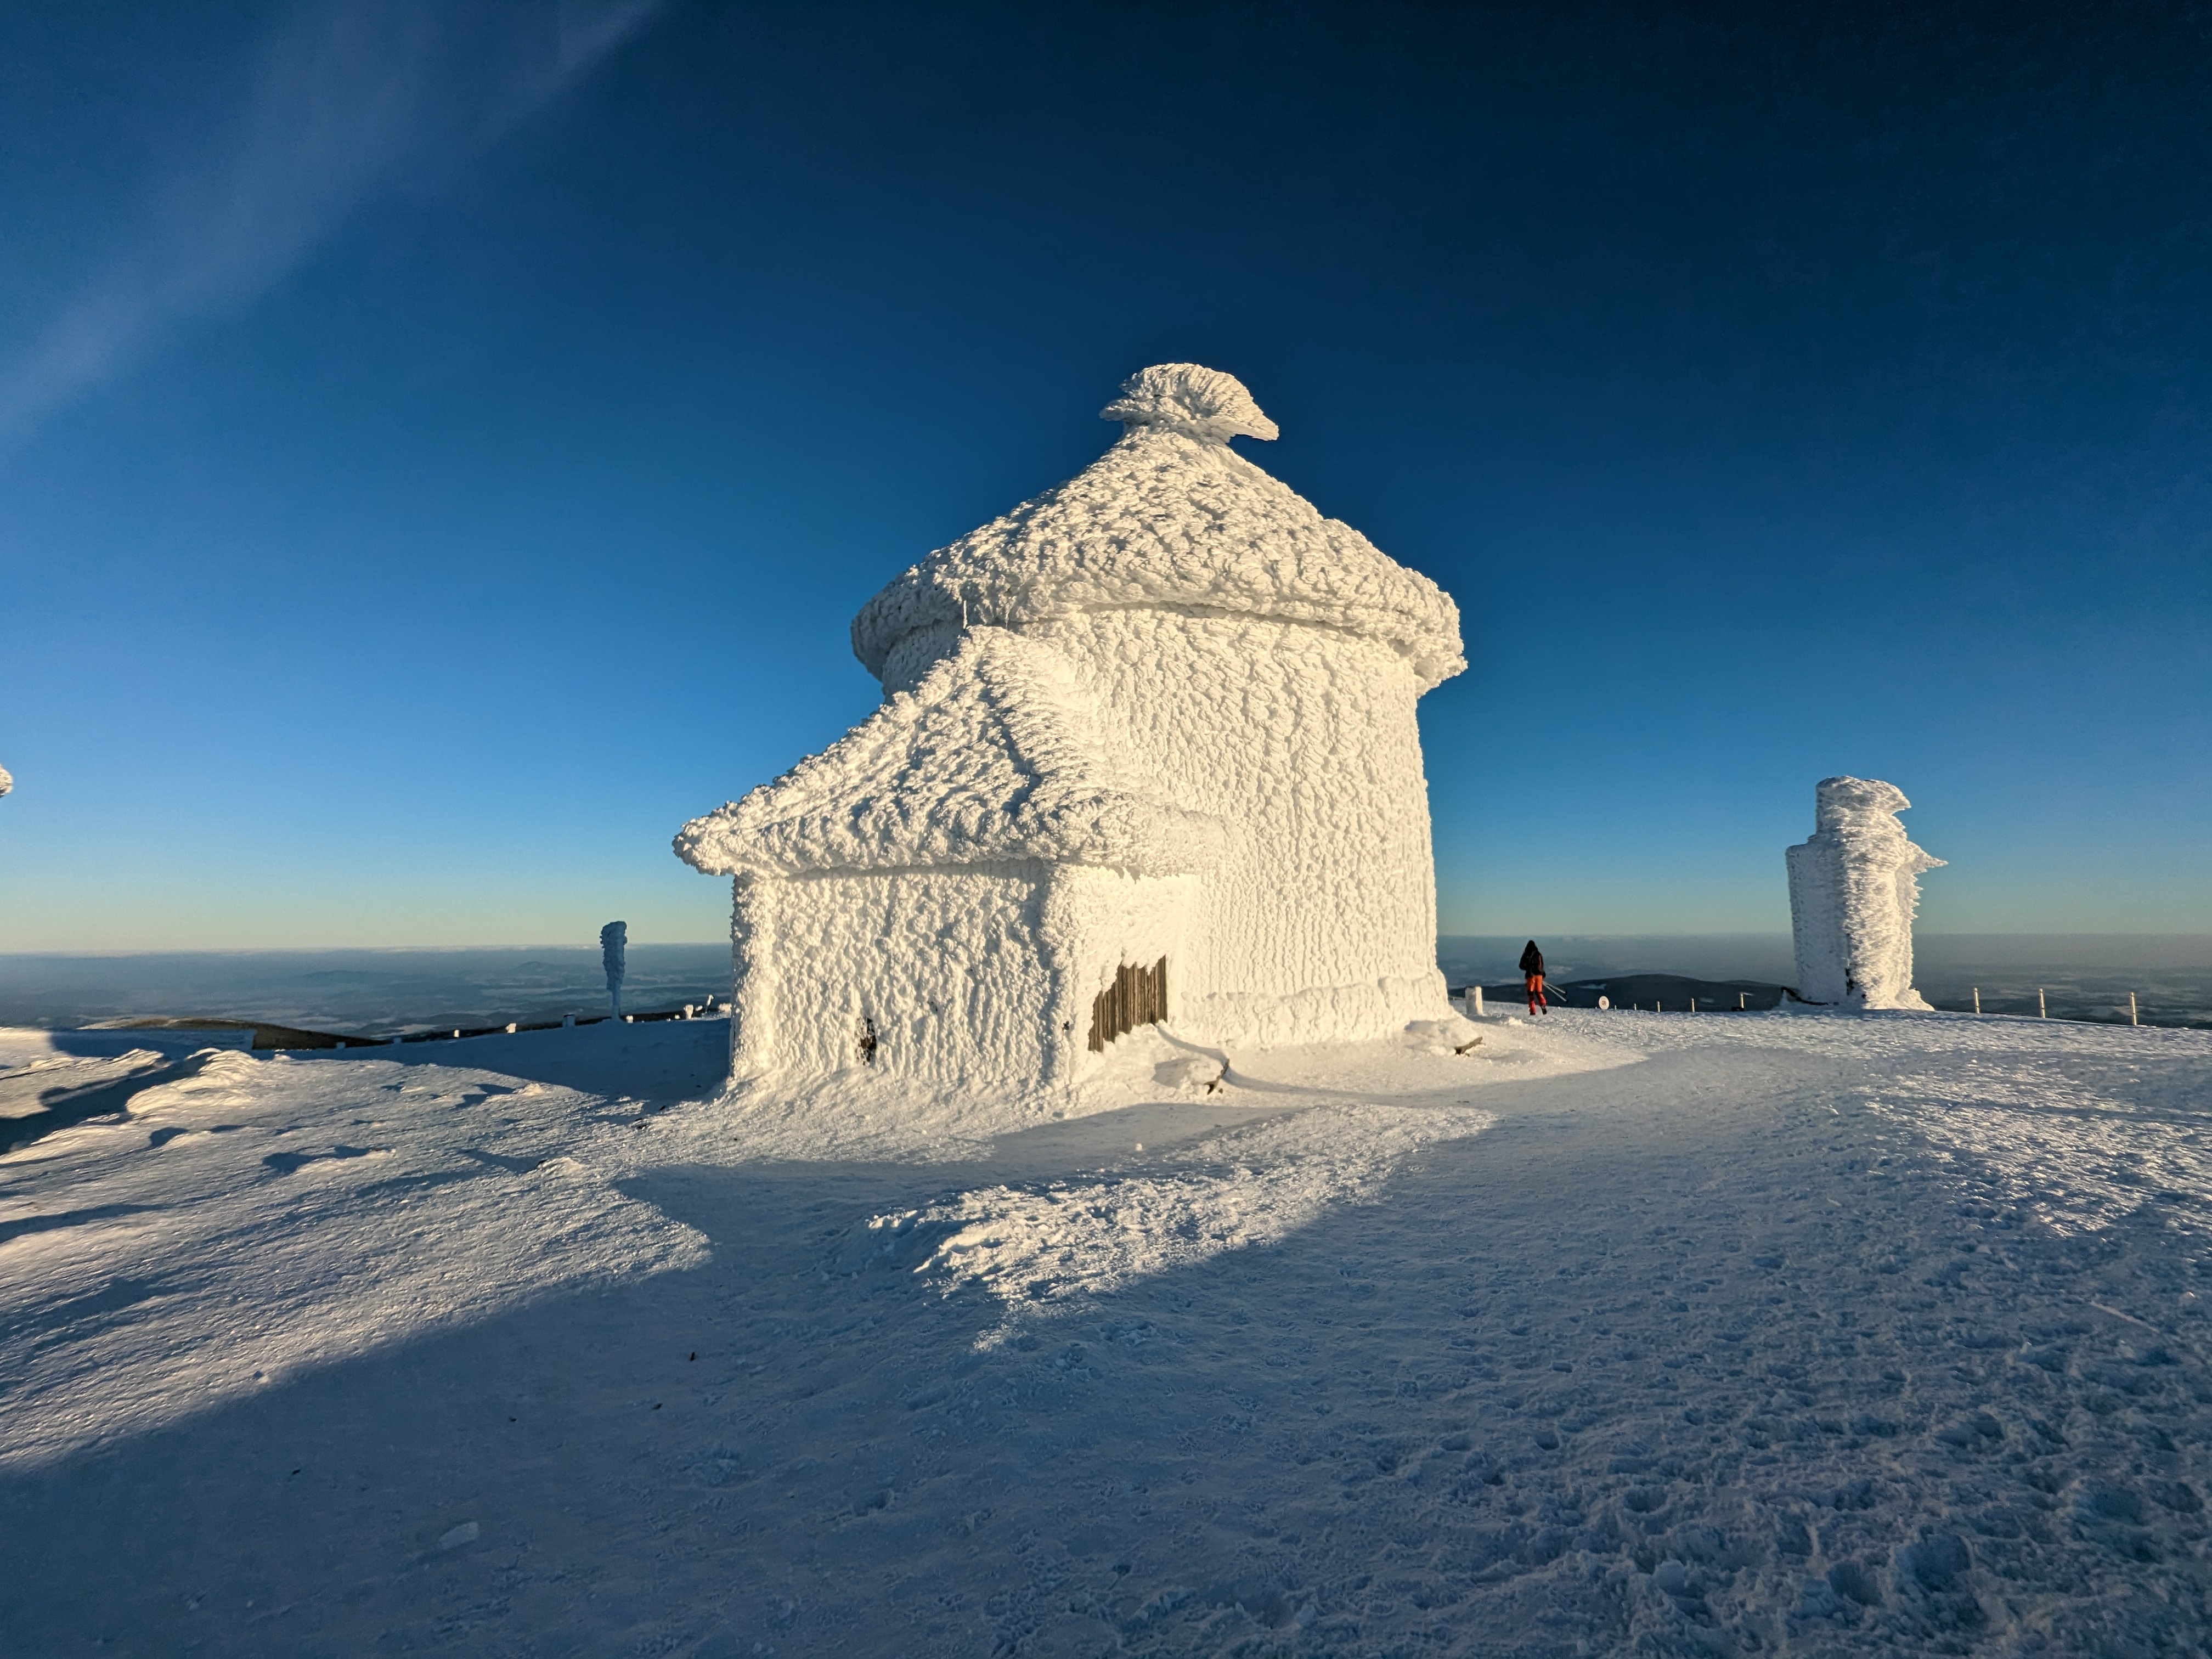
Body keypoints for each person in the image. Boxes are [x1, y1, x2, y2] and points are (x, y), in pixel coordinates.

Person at [1519, 939, 1548, 1014]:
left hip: (1530, 976)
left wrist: (1527, 968)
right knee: (1539, 992)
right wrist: (1542, 974)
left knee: (1531, 994)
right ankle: (1543, 1004)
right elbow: (1542, 965)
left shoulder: (1526, 955)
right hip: (1539, 976)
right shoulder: (1539, 954)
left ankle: (1533, 1011)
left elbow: (1521, 966)